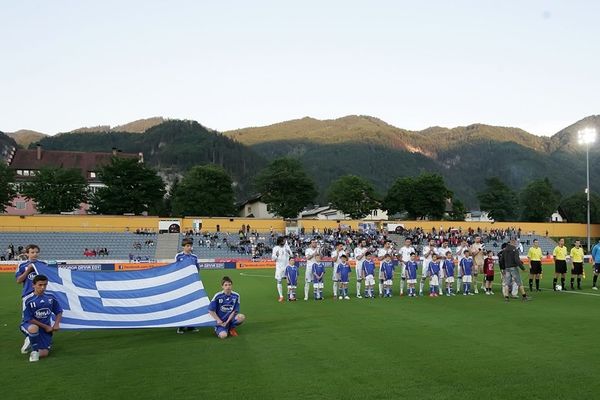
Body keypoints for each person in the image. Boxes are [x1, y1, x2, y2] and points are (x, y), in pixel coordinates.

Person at [20, 274, 63, 362]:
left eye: (45, 285)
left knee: (44, 354)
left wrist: (56, 324)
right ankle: (34, 351)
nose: (43, 287)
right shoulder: (27, 299)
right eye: (40, 285)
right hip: (28, 324)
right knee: (33, 328)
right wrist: (46, 327)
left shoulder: (51, 297)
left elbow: (59, 311)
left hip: (44, 329)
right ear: (33, 285)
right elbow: (29, 319)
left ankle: (32, 341)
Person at [15, 244, 46, 354]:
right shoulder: (22, 265)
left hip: (42, 296)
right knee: (27, 319)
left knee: (42, 317)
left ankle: (40, 339)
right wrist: (28, 271)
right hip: (28, 296)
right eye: (32, 252)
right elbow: (18, 281)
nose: (35, 254)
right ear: (27, 253)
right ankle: (29, 336)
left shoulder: (43, 265)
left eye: (36, 252)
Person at [175, 237, 201, 334]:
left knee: (192, 304)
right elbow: (175, 269)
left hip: (192, 285)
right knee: (182, 305)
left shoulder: (194, 257)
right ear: (183, 247)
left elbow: (197, 269)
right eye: (187, 246)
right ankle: (181, 326)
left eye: (190, 246)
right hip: (182, 285)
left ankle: (191, 325)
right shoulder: (178, 256)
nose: (189, 247)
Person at [272, 237, 292, 302]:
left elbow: (292, 255)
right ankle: (281, 296)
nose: (285, 242)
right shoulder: (275, 248)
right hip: (279, 268)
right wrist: (276, 255)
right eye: (283, 241)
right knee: (279, 281)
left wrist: (289, 252)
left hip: (287, 266)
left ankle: (290, 295)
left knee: (289, 281)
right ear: (280, 241)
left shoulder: (287, 247)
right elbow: (273, 259)